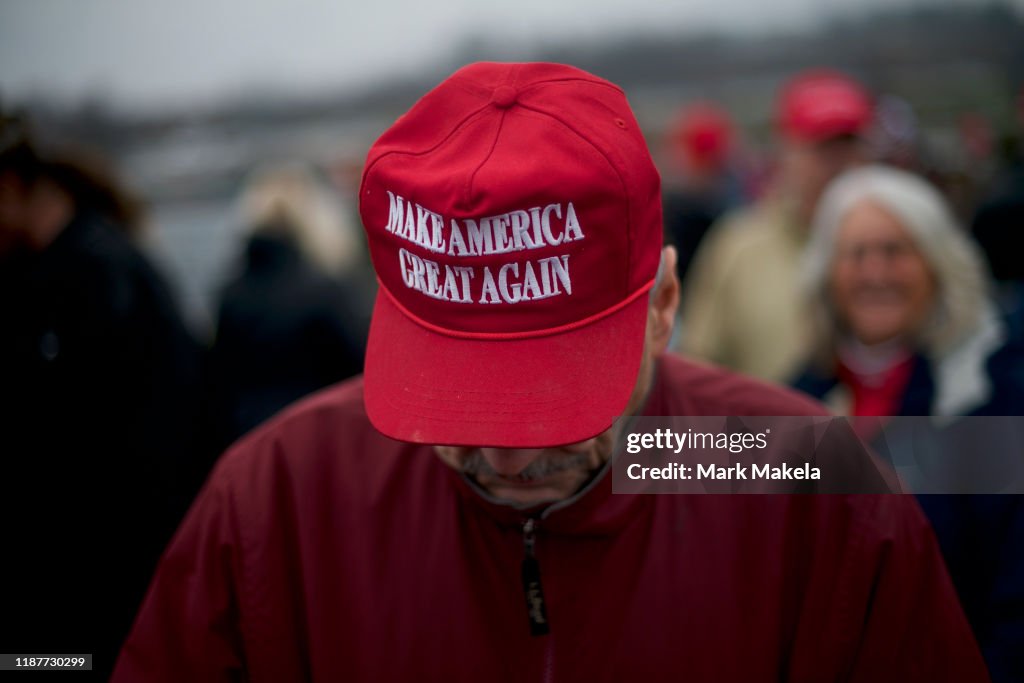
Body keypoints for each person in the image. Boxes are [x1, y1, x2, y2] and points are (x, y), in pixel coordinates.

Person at [113, 63, 987, 682]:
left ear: (664, 304)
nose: (501, 459)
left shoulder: (788, 472)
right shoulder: (283, 498)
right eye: (452, 405)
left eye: (551, 404)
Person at [790, 164, 1024, 681]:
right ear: (827, 272)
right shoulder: (794, 397)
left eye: (896, 251)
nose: (876, 273)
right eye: (856, 255)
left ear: (937, 264)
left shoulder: (994, 395)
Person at [0, 115, 204, 678]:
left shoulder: (99, 278)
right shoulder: (51, 275)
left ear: (11, 189)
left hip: (102, 596)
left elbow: (164, 439)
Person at [678, 69, 872, 381]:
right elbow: (699, 367)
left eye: (848, 145)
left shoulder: (898, 246)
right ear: (787, 150)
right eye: (822, 147)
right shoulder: (738, 246)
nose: (837, 162)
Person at [206, 163, 369, 452]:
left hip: (249, 436)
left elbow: (218, 377)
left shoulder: (231, 293)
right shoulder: (323, 288)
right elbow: (356, 363)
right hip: (320, 434)